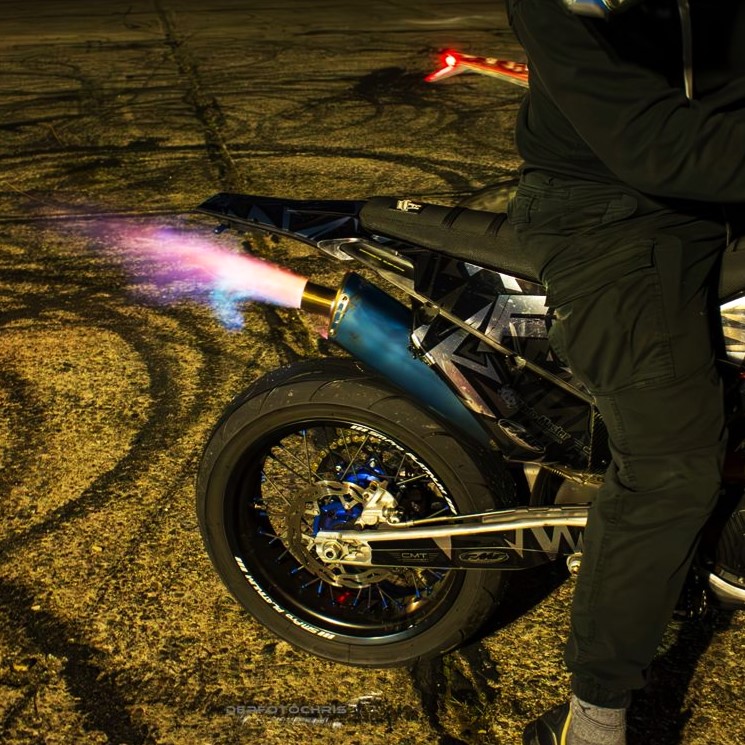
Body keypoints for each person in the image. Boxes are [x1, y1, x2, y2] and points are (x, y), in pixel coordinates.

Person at [499, 1, 745, 743]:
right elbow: (653, 141)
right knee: (672, 462)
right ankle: (595, 720)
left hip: (720, 188)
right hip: (613, 211)